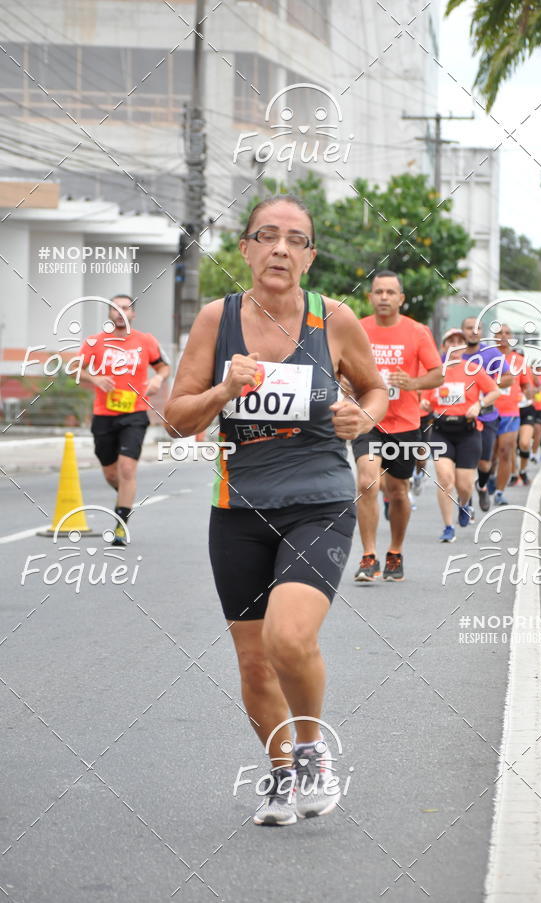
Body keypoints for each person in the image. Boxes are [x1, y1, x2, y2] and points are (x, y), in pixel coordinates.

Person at [164, 194, 387, 826]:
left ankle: (314, 751)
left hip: (319, 500)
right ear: (246, 249)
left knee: (289, 637)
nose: (281, 248)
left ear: (310, 257)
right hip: (238, 508)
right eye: (267, 235)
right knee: (254, 659)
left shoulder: (335, 320)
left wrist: (361, 416)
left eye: (296, 239)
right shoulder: (217, 320)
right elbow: (177, 420)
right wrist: (224, 389)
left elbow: (374, 386)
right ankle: (282, 773)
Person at [349, 270, 443, 583]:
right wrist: (344, 383)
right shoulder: (357, 329)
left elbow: (437, 373)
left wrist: (413, 382)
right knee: (366, 483)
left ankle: (395, 550)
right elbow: (336, 365)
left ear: (401, 298)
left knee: (398, 491)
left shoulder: (417, 332)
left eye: (391, 292)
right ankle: (368, 555)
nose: (384, 297)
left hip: (404, 423)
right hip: (367, 419)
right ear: (370, 297)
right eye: (379, 292)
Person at [78, 294, 170, 545]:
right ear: (109, 314)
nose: (120, 312)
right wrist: (95, 379)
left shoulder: (145, 341)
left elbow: (163, 366)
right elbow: (76, 369)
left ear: (133, 314)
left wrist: (157, 379)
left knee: (127, 468)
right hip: (103, 415)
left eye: (125, 308)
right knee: (110, 474)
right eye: (115, 308)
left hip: (135, 412)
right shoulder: (94, 342)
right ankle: (125, 500)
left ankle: (121, 524)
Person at [421, 329, 501, 542]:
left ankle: (464, 504)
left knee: (464, 485)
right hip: (441, 431)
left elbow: (495, 392)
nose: (455, 345)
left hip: (468, 432)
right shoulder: (435, 372)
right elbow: (423, 397)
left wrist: (479, 404)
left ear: (464, 348)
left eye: (459, 342)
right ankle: (448, 527)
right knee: (445, 480)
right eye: (450, 341)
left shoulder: (474, 370)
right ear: (444, 347)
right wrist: (425, 403)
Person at [460, 317, 513, 511]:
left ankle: (481, 486)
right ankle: (466, 504)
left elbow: (509, 379)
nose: (473, 331)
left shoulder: (491, 353)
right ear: (462, 331)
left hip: (487, 414)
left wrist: (488, 384)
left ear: (482, 331)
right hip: (461, 416)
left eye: (477, 328)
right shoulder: (453, 354)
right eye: (468, 328)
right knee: (464, 465)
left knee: (484, 463)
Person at [490, 325, 532, 505]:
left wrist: (527, 393)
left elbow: (526, 386)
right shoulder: (485, 357)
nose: (503, 336)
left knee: (506, 452)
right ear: (494, 337)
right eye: (499, 333)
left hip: (510, 412)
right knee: (489, 456)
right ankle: (488, 477)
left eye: (507, 333)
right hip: (488, 412)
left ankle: (500, 492)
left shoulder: (519, 360)